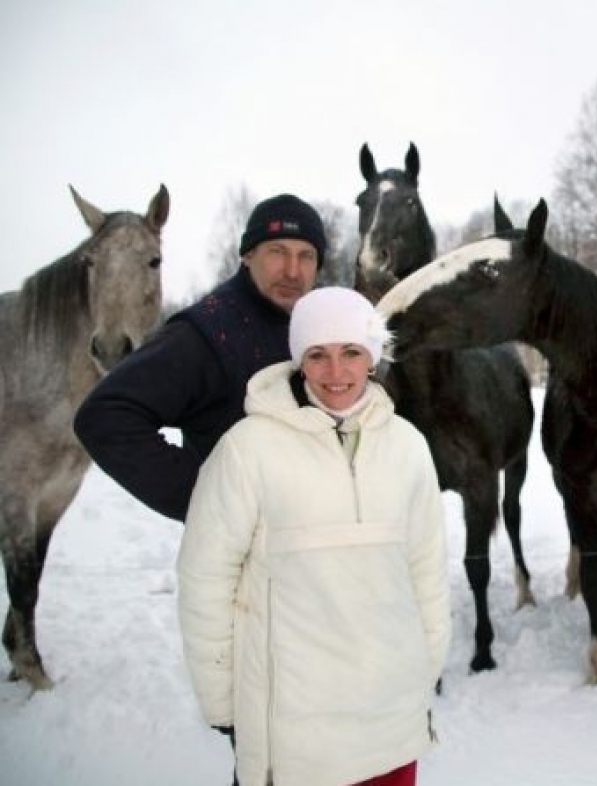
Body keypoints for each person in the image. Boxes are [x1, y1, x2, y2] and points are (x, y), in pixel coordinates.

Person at [176, 286, 451, 786]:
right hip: (294, 734)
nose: (336, 371)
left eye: (351, 352)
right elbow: (204, 581)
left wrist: (424, 671)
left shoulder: (409, 448)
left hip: (390, 721)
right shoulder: (247, 450)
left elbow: (426, 571)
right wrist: (223, 703)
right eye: (318, 355)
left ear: (371, 358)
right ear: (299, 360)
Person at [74, 193, 325, 522]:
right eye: (277, 252)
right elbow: (106, 418)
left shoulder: (310, 326)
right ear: (248, 255)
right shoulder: (208, 331)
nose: (293, 270)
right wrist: (210, 498)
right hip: (243, 556)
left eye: (305, 255)